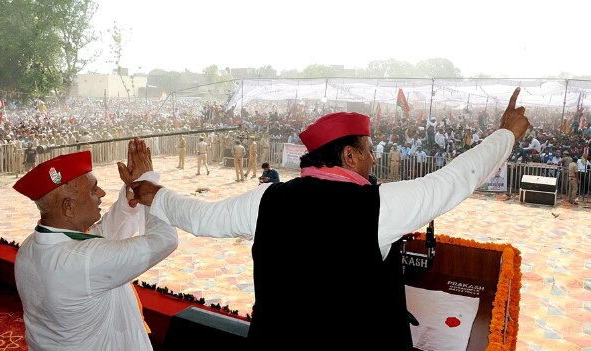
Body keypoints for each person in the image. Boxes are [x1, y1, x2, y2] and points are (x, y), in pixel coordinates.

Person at [127, 88, 529, 349]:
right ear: (348, 157)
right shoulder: (376, 208)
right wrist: (506, 135)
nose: (374, 158)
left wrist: (153, 191)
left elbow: (200, 217)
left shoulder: (268, 199)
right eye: (368, 150)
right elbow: (454, 181)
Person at [12, 138, 178, 351]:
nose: (101, 194)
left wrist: (131, 196)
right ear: (68, 207)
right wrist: (148, 188)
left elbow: (101, 238)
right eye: (93, 190)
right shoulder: (83, 261)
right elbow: (164, 239)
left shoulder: (32, 246)